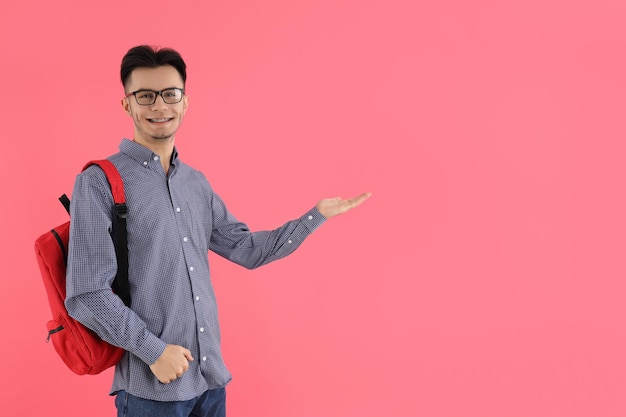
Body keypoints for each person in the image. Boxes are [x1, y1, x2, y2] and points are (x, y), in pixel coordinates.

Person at [65, 45, 370, 417]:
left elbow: (247, 250)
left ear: (185, 102)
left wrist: (314, 216)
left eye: (170, 94)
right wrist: (153, 351)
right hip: (151, 389)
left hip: (209, 383)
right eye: (145, 95)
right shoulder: (98, 182)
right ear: (127, 104)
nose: (160, 106)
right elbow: (87, 293)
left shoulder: (196, 184)